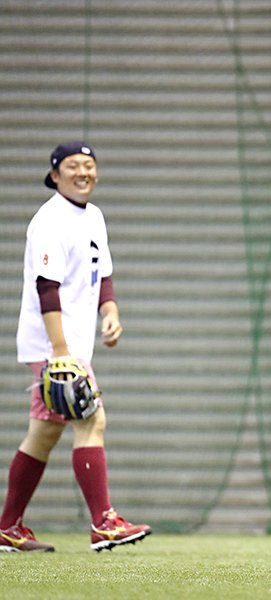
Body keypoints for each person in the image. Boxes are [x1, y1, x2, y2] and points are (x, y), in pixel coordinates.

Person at [0, 142, 152, 553]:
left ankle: (8, 527)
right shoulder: (48, 221)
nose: (83, 172)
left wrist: (111, 311)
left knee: (44, 433)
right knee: (92, 419)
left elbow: (103, 273)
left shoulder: (94, 216)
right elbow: (46, 289)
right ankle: (104, 523)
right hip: (53, 345)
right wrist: (61, 351)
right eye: (72, 166)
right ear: (54, 175)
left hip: (71, 345)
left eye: (89, 165)